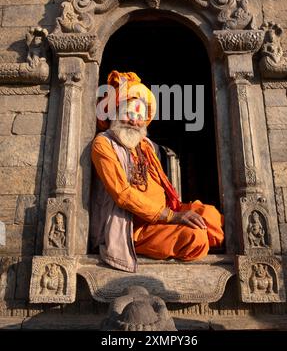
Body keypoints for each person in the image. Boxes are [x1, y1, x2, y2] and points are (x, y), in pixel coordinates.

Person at [90, 70, 224, 273]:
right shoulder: (103, 143)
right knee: (195, 238)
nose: (135, 121)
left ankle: (180, 235)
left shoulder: (145, 146)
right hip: (132, 227)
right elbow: (122, 195)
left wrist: (177, 212)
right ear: (115, 113)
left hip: (163, 216)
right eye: (129, 114)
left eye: (139, 116)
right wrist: (172, 217)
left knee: (212, 218)